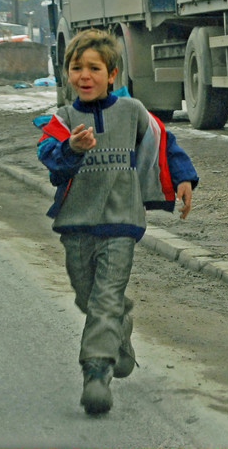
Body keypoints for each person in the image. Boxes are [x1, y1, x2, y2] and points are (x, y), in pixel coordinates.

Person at [35, 29, 198, 415]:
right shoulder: (62, 120)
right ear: (67, 74)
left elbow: (164, 144)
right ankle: (120, 336)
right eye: (77, 68)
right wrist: (71, 148)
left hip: (122, 222)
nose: (84, 75)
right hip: (76, 223)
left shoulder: (132, 111)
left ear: (112, 74)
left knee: (104, 298)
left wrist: (183, 177)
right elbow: (51, 160)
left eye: (94, 68)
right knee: (87, 297)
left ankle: (96, 372)